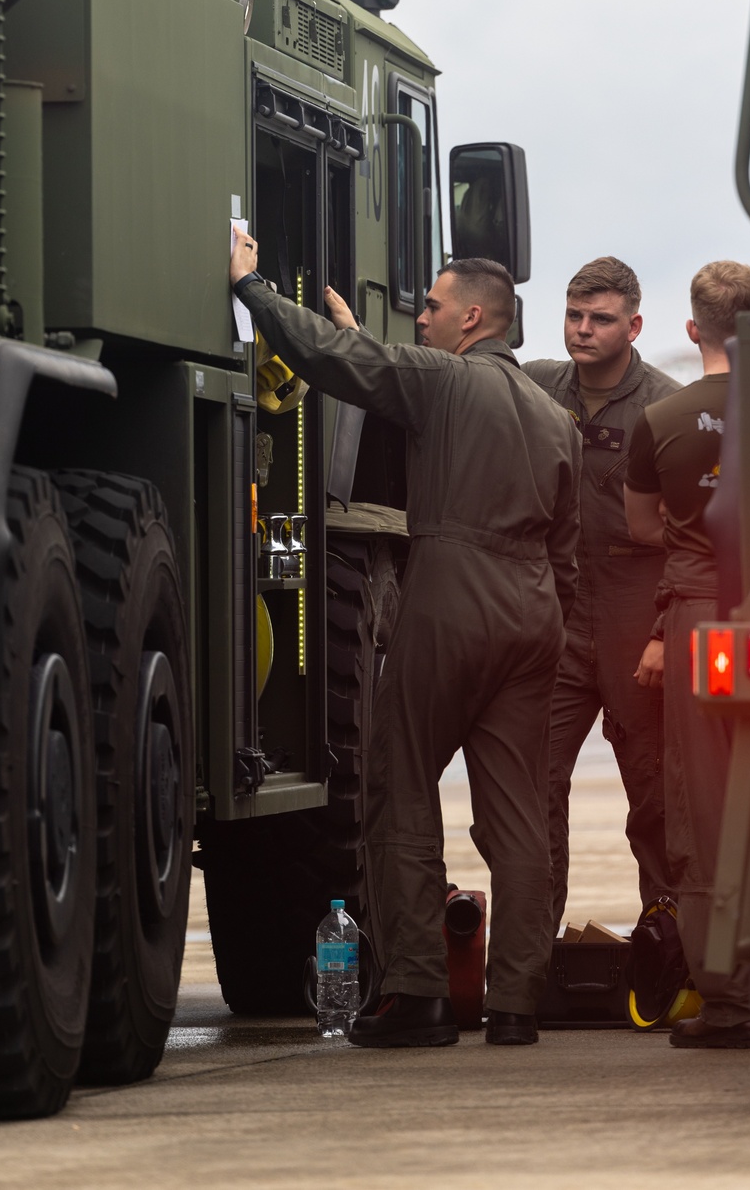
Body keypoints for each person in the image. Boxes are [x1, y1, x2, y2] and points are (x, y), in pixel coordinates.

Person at [230, 234, 581, 1048]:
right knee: (518, 810)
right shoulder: (551, 414)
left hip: (455, 587)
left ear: (470, 315)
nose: (418, 314)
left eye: (429, 304)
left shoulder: (445, 378)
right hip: (537, 607)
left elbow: (327, 359)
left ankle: (419, 991)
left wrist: (251, 285)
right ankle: (518, 1003)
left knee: (400, 778)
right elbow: (569, 545)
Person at [623, 259, 750, 1049]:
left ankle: (730, 995)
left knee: (704, 804)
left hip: (701, 614)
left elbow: (643, 529)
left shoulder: (662, 418)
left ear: (690, 329)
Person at [522, 257, 680, 925]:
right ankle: (529, 957)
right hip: (555, 616)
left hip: (632, 614)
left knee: (654, 790)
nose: (583, 331)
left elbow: (696, 535)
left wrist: (664, 632)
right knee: (532, 784)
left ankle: (666, 947)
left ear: (634, 324)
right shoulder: (533, 388)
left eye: (601, 319)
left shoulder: (667, 408)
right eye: (574, 316)